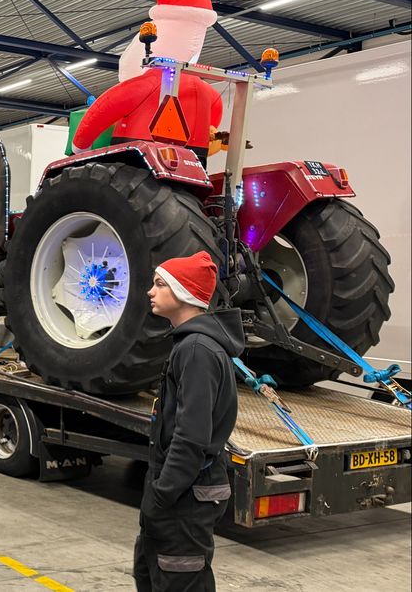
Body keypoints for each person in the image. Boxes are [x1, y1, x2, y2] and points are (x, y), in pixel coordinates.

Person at [134, 251, 242, 592]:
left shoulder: (196, 350)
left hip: (185, 495)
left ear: (183, 293)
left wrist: (163, 494)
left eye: (160, 284)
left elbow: (191, 437)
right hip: (179, 491)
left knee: (180, 579)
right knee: (151, 573)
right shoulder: (189, 345)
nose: (151, 292)